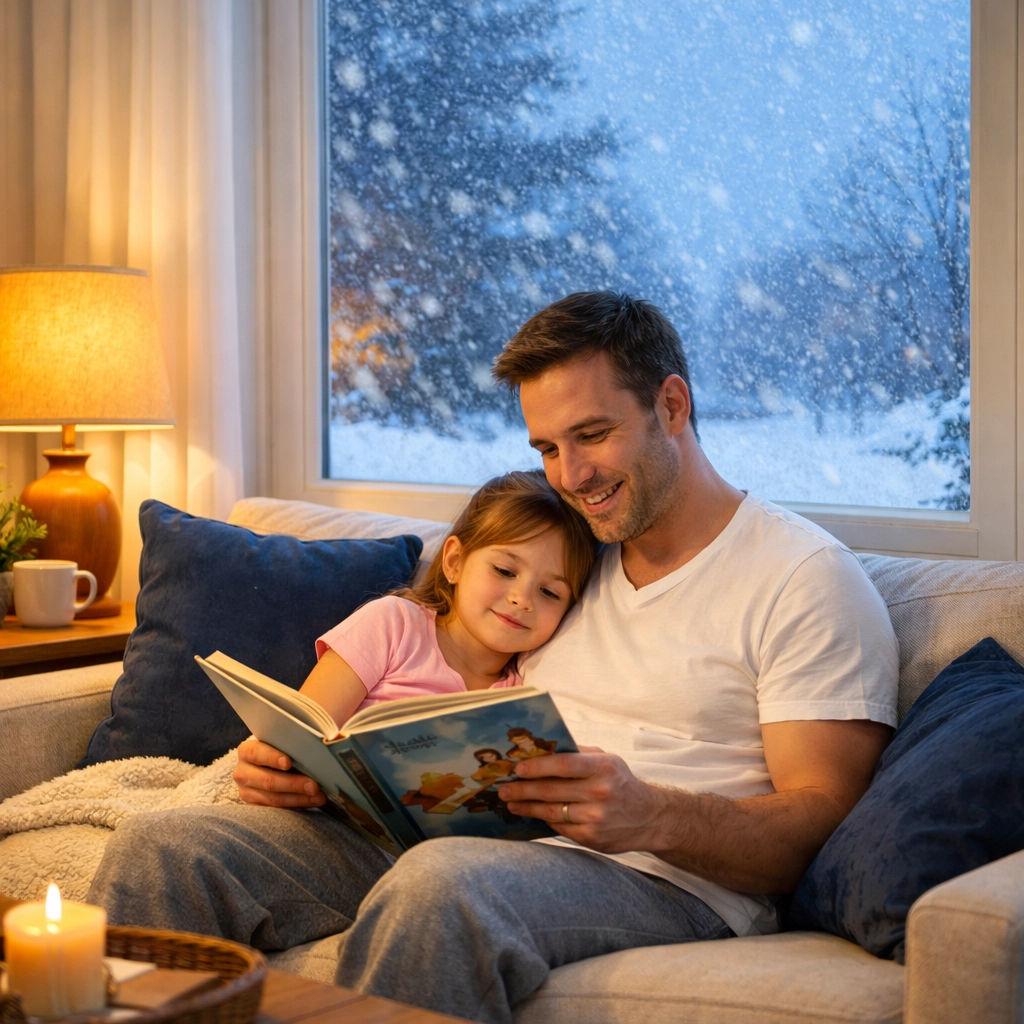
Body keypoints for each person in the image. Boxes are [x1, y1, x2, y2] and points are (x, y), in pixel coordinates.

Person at [88, 292, 898, 1024]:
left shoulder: (803, 578)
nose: (571, 476)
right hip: (467, 836)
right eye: (547, 447)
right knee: (164, 851)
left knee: (442, 887)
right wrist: (309, 772)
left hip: (660, 875)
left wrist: (651, 812)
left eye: (592, 435)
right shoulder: (574, 559)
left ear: (672, 405)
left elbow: (820, 818)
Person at [294, 470, 597, 735]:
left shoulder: (523, 694)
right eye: (505, 571)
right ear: (455, 561)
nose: (522, 599)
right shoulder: (393, 622)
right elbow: (302, 730)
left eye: (550, 593)